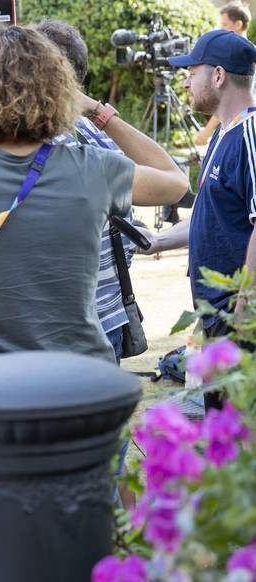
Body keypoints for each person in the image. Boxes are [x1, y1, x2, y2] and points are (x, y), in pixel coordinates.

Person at [0, 23, 187, 369]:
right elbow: (175, 182)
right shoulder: (95, 167)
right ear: (61, 89)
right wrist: (98, 111)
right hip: (81, 375)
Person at [34, 18, 138, 507]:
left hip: (52, 333)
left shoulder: (27, 143)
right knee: (99, 467)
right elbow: (132, 239)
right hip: (107, 323)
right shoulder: (103, 143)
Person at [138, 30, 256, 409]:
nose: (184, 80)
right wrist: (157, 241)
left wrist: (243, 313)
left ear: (218, 76)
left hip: (238, 320)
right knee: (219, 424)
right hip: (215, 318)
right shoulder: (223, 134)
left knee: (239, 438)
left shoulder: (251, 134)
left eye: (192, 70)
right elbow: (214, 219)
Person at [196, 1, 252, 146]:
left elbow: (229, 98)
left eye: (225, 24)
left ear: (238, 25)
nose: (221, 28)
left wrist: (207, 130)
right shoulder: (233, 55)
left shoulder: (246, 60)